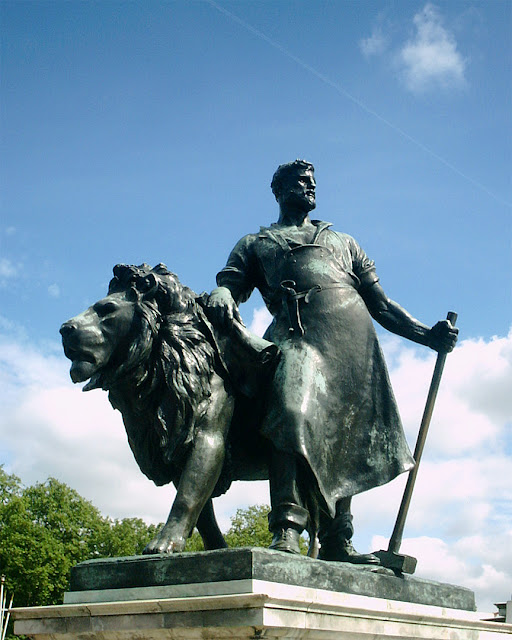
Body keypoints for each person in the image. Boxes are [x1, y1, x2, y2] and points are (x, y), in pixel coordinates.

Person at [207, 160, 458, 563]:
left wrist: (427, 335)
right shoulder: (257, 243)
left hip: (353, 350)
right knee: (289, 413)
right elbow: (231, 284)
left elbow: (382, 305)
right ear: (279, 190)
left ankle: (338, 540)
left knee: (347, 435)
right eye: (300, 182)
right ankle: (287, 528)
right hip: (297, 341)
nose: (310, 188)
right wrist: (222, 291)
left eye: (313, 183)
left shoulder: (343, 241)